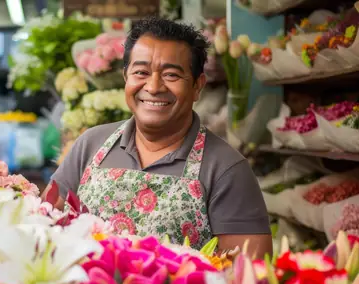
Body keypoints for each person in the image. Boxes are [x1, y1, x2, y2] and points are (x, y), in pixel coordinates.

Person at [44, 17, 272, 257]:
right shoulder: (90, 144)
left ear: (197, 86)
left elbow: (248, 276)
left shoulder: (227, 169)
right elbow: (45, 223)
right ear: (126, 78)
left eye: (171, 75)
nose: (153, 87)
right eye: (141, 72)